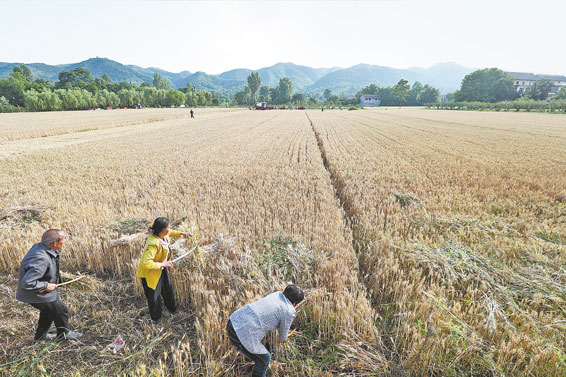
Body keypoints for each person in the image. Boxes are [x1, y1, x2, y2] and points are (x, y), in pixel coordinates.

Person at [16, 229, 83, 341]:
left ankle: (40, 337)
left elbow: (43, 269)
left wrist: (58, 273)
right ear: (54, 243)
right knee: (60, 310)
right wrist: (46, 285)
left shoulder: (42, 247)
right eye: (63, 239)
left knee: (48, 310)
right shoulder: (41, 258)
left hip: (36, 291)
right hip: (35, 293)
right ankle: (63, 335)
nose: (65, 241)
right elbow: (28, 282)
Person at [227, 285, 304, 377]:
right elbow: (283, 337)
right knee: (264, 359)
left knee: (256, 353)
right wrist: (283, 339)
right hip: (241, 333)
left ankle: (246, 371)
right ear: (295, 303)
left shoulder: (276, 295)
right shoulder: (289, 310)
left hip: (233, 320)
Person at [136, 217, 191, 324]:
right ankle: (155, 319)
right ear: (162, 231)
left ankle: (172, 309)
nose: (169, 229)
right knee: (154, 297)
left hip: (161, 268)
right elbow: (146, 263)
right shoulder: (153, 243)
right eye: (168, 228)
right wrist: (162, 264)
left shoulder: (163, 235)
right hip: (150, 273)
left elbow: (171, 232)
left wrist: (182, 233)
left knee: (168, 289)